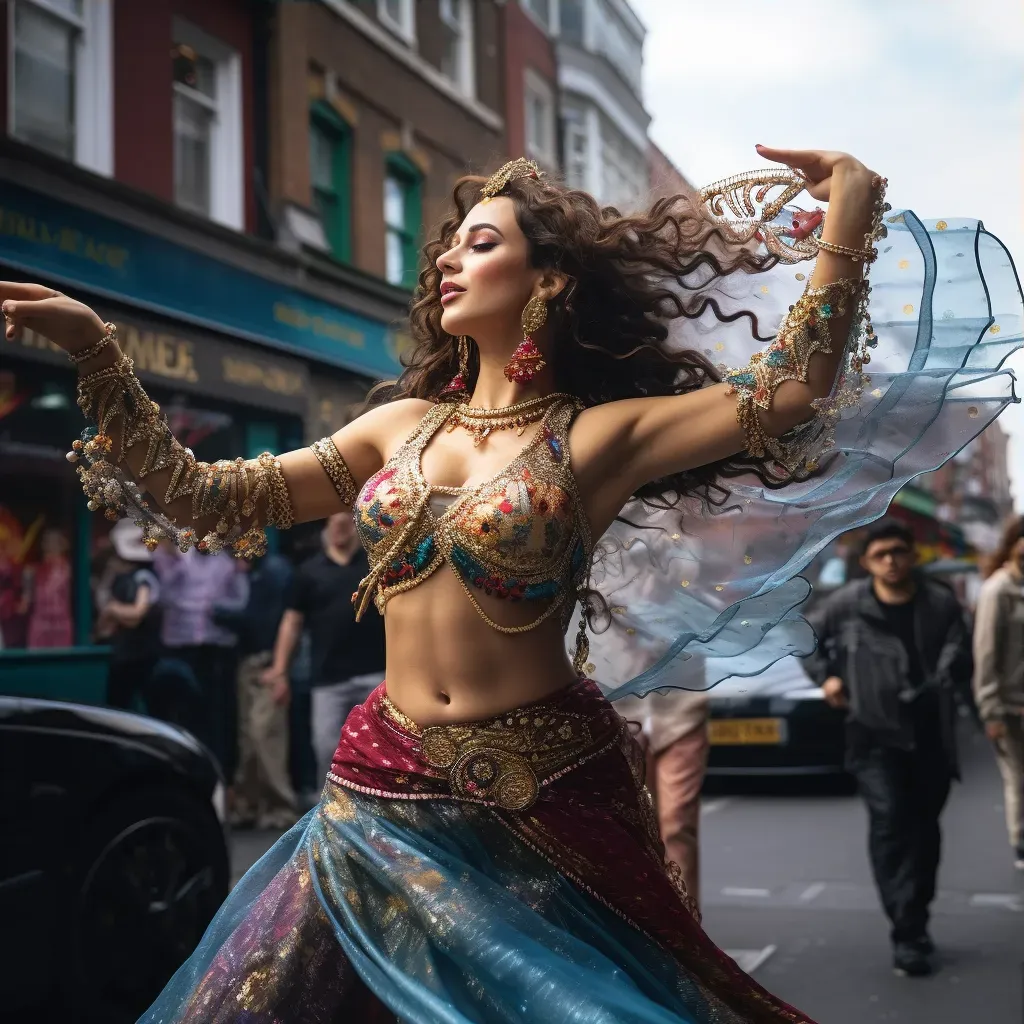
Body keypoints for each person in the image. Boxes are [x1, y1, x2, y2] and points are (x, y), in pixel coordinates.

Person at [4, 145, 1021, 1023]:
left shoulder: (598, 436)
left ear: (550, 282)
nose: (447, 257)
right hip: (376, 796)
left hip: (533, 800)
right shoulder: (396, 429)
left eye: (479, 243)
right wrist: (99, 352)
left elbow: (790, 392)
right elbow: (206, 493)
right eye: (448, 246)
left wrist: (847, 208)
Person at [803, 519, 973, 978]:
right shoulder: (846, 605)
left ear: (912, 555)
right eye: (881, 555)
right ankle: (907, 932)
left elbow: (962, 661)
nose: (892, 561)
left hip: (930, 734)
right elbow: (805, 640)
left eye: (899, 551)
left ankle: (916, 914)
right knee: (892, 821)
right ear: (866, 563)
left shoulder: (940, 603)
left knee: (924, 830)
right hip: (873, 734)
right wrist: (828, 677)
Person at [263, 511, 386, 786]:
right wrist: (280, 669)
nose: (338, 531)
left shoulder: (373, 567)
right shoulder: (309, 571)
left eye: (344, 525)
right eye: (333, 524)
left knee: (379, 751)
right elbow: (291, 623)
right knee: (326, 748)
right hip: (327, 678)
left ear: (356, 528)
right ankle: (331, 815)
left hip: (376, 674)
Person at [214, 551, 299, 831]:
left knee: (265, 734)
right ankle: (249, 805)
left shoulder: (274, 570)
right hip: (248, 663)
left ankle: (280, 806)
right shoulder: (250, 572)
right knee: (249, 737)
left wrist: (216, 612)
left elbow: (266, 620)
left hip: (268, 663)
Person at [616, 661, 711, 908]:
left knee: (677, 821)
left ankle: (687, 931)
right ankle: (642, 921)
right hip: (616, 698)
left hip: (681, 704)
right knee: (630, 825)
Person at [152, 544, 249, 780]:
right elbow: (161, 596)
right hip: (180, 646)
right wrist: (176, 570)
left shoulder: (227, 563)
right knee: (183, 712)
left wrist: (215, 609)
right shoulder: (178, 559)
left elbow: (242, 602)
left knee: (217, 714)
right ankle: (182, 771)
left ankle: (219, 774)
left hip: (215, 648)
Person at [972, 515, 1024, 871]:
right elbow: (986, 654)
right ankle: (1020, 842)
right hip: (1011, 707)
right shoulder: (998, 589)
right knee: (1018, 779)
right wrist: (990, 711)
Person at [99, 519, 163, 710]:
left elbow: (137, 613)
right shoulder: (120, 580)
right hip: (123, 656)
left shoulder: (143, 578)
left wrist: (113, 610)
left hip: (141, 656)